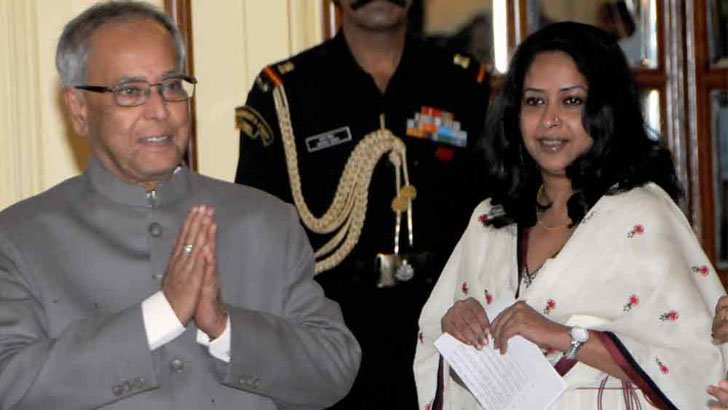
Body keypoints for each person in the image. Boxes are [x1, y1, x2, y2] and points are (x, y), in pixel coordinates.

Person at [0, 2, 360, 409]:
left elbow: (334, 368)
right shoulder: (18, 238)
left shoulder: (265, 221)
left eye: (171, 86)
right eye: (130, 91)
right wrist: (159, 315)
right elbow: (10, 386)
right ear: (78, 108)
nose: (160, 111)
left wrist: (225, 327)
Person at [414, 22, 726, 409]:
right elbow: (445, 356)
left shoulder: (641, 215)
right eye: (534, 101)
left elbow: (695, 364)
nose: (550, 120)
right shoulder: (490, 221)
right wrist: (458, 328)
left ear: (605, 110)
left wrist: (562, 336)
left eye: (572, 101)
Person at [235, 0, 489, 408]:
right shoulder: (287, 91)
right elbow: (255, 231)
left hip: (444, 323)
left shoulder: (462, 82)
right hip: (331, 328)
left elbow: (495, 210)